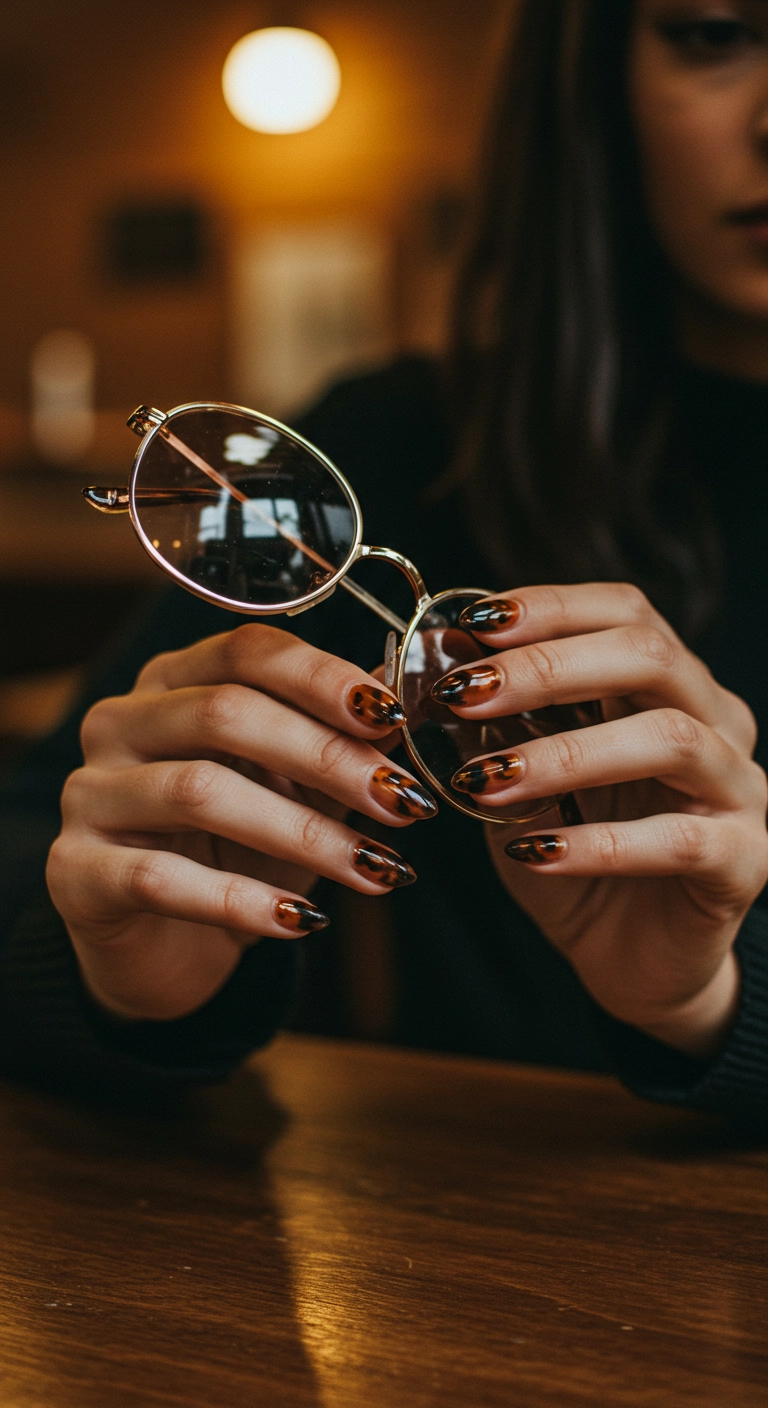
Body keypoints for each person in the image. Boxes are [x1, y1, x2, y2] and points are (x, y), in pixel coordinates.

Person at [1, 0, 766, 1123]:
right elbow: (37, 849)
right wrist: (114, 971)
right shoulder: (391, 459)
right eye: (714, 33)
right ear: (593, 76)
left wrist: (717, 997)